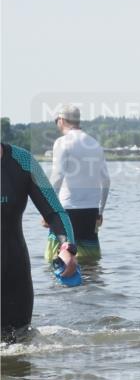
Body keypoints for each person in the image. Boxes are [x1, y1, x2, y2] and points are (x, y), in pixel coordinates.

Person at [2, 143, 78, 339]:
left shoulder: (23, 161)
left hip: (14, 270)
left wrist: (67, 247)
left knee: (19, 343)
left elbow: (54, 210)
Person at [44, 104, 110, 263]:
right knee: (91, 263)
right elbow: (106, 180)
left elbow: (57, 177)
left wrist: (48, 210)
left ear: (61, 120)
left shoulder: (62, 142)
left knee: (57, 262)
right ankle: (91, 289)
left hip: (66, 210)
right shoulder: (94, 143)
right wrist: (100, 212)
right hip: (91, 210)